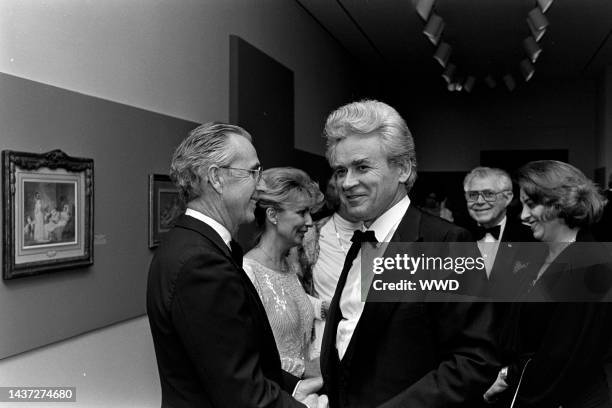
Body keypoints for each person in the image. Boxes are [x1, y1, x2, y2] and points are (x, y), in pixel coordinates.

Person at [320, 99, 499, 407]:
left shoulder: (443, 243)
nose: (347, 183)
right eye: (340, 171)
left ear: (402, 169)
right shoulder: (361, 241)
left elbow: (474, 361)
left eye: (362, 167)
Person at [146, 122, 326, 408]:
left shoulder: (194, 245)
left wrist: (296, 386)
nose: (259, 183)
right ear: (217, 178)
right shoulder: (200, 262)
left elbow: (237, 362)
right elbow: (241, 393)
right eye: (252, 172)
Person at [484, 160, 612, 407]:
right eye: (522, 205)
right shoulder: (537, 255)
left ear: (560, 203)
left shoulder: (592, 264)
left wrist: (507, 376)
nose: (522, 216)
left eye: (531, 205)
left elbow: (566, 356)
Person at [244, 167, 325, 379]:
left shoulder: (287, 266)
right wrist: (306, 369)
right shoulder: (248, 272)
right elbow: (248, 354)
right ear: (273, 215)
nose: (309, 222)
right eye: (301, 212)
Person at [463, 167, 534, 297]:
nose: (479, 202)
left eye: (489, 194)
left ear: (507, 198)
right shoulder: (454, 235)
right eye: (473, 195)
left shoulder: (530, 237)